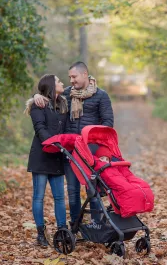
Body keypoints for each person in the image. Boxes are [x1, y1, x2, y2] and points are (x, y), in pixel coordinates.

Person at [34, 61, 114, 225]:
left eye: (74, 76)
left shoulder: (101, 95)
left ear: (85, 74)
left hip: (91, 149)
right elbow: (49, 100)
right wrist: (36, 96)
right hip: (70, 150)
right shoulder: (67, 94)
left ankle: (96, 224)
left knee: (93, 190)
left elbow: (108, 123)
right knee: (72, 191)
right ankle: (76, 225)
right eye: (69, 77)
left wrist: (100, 146)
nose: (71, 80)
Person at [25, 74, 69, 247]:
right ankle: (41, 233)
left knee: (59, 197)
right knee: (39, 197)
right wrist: (54, 143)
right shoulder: (38, 105)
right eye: (58, 81)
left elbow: (80, 88)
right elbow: (40, 128)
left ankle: (62, 231)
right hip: (42, 156)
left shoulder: (62, 104)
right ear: (51, 85)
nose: (62, 83)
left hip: (57, 156)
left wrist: (61, 146)